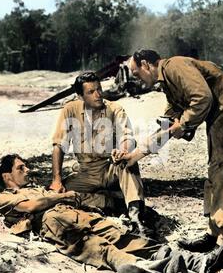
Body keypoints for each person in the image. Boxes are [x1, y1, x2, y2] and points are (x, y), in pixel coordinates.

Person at [0, 154, 223, 273]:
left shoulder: (36, 189)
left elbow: (71, 199)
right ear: (6, 176)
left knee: (123, 237)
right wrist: (61, 196)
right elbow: (34, 207)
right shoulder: (5, 197)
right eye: (21, 167)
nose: (28, 170)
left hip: (78, 214)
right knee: (98, 248)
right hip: (53, 223)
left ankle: (196, 262)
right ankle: (155, 271)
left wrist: (61, 198)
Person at [113, 49, 223, 253]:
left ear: (145, 64)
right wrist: (135, 155)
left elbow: (202, 98)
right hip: (222, 117)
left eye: (136, 74)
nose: (139, 80)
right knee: (215, 173)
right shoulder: (168, 82)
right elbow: (166, 128)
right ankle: (213, 235)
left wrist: (184, 124)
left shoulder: (174, 66)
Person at [49, 71, 151, 236]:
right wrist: (56, 180)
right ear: (80, 96)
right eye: (91, 92)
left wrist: (123, 151)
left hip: (111, 168)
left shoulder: (115, 108)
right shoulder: (70, 109)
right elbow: (58, 145)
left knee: (127, 162)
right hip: (87, 173)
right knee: (58, 195)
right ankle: (110, 202)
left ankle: (136, 217)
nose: (98, 95)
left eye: (99, 89)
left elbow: (128, 136)